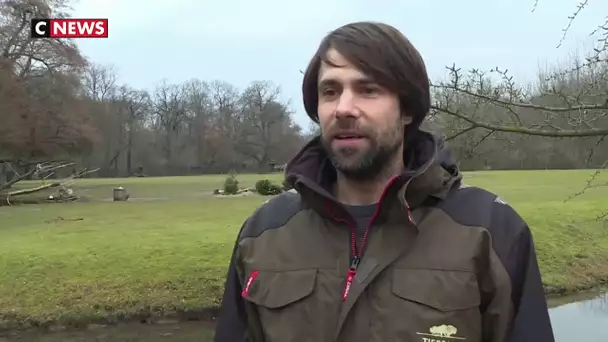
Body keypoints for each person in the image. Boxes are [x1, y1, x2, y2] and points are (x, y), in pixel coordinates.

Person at [213, 21, 555, 342]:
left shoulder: (491, 230)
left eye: (368, 90)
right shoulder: (264, 232)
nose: (343, 108)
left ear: (407, 109)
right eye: (330, 92)